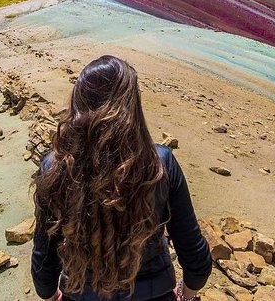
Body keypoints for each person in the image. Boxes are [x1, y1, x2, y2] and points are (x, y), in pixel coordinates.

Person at [32, 55, 212, 301]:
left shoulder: (54, 167)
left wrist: (52, 295)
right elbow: (195, 255)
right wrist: (187, 293)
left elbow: (44, 260)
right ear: (132, 107)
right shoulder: (160, 164)